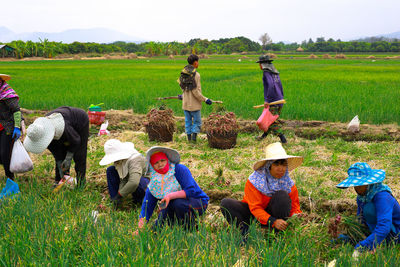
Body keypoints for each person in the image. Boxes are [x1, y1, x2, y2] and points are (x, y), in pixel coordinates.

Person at [221, 142, 303, 238]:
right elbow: (255, 208)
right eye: (276, 164)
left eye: (284, 165)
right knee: (226, 203)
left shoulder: (288, 185)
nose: (281, 169)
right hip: (254, 215)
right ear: (268, 166)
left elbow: (295, 207)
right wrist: (272, 221)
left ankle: (278, 234)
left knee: (282, 196)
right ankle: (244, 233)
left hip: (278, 218)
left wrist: (297, 216)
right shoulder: (255, 181)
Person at [134, 146, 209, 233]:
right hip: (171, 205)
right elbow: (147, 207)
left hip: (197, 201)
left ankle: (190, 229)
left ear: (167, 160)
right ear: (152, 165)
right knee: (156, 229)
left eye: (162, 160)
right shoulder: (154, 180)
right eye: (156, 163)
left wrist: (169, 196)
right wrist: (140, 228)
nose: (160, 164)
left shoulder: (179, 169)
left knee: (178, 203)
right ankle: (174, 226)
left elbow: (190, 190)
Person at [336, 162, 400, 252]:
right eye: (355, 185)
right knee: (341, 239)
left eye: (360, 185)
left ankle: (382, 243)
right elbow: (361, 220)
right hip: (373, 231)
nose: (356, 188)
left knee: (370, 208)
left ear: (369, 183)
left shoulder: (383, 197)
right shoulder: (362, 197)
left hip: (393, 234)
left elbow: (384, 226)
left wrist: (363, 246)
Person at [24, 106, 89, 187]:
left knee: (79, 154)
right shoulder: (39, 132)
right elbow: (56, 151)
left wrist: (68, 158)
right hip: (62, 126)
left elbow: (76, 140)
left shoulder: (62, 129)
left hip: (79, 120)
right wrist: (60, 162)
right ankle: (59, 180)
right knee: (60, 157)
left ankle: (81, 182)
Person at [99, 139, 150, 208]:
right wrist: (118, 194)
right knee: (111, 170)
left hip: (145, 183)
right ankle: (115, 201)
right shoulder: (119, 160)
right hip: (131, 179)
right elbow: (123, 177)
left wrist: (120, 194)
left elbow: (134, 182)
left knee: (137, 182)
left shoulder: (135, 159)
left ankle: (140, 201)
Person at [178, 54, 213, 143]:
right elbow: (195, 91)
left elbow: (182, 87)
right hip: (194, 104)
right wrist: (205, 99)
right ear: (195, 63)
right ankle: (194, 139)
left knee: (188, 121)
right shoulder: (196, 75)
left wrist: (183, 96)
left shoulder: (183, 73)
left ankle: (189, 139)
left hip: (185, 103)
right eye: (198, 62)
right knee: (197, 122)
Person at [256, 55, 287, 143]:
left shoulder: (266, 72)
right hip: (279, 99)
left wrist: (267, 100)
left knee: (272, 120)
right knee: (270, 118)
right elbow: (280, 86)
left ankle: (283, 138)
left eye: (260, 64)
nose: (259, 66)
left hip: (273, 101)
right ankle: (264, 136)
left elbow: (270, 86)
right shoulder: (275, 73)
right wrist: (281, 96)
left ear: (263, 64)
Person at [0, 74, 22, 180]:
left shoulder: (7, 94)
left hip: (8, 127)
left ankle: (10, 177)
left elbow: (16, 110)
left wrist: (17, 127)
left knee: (5, 152)